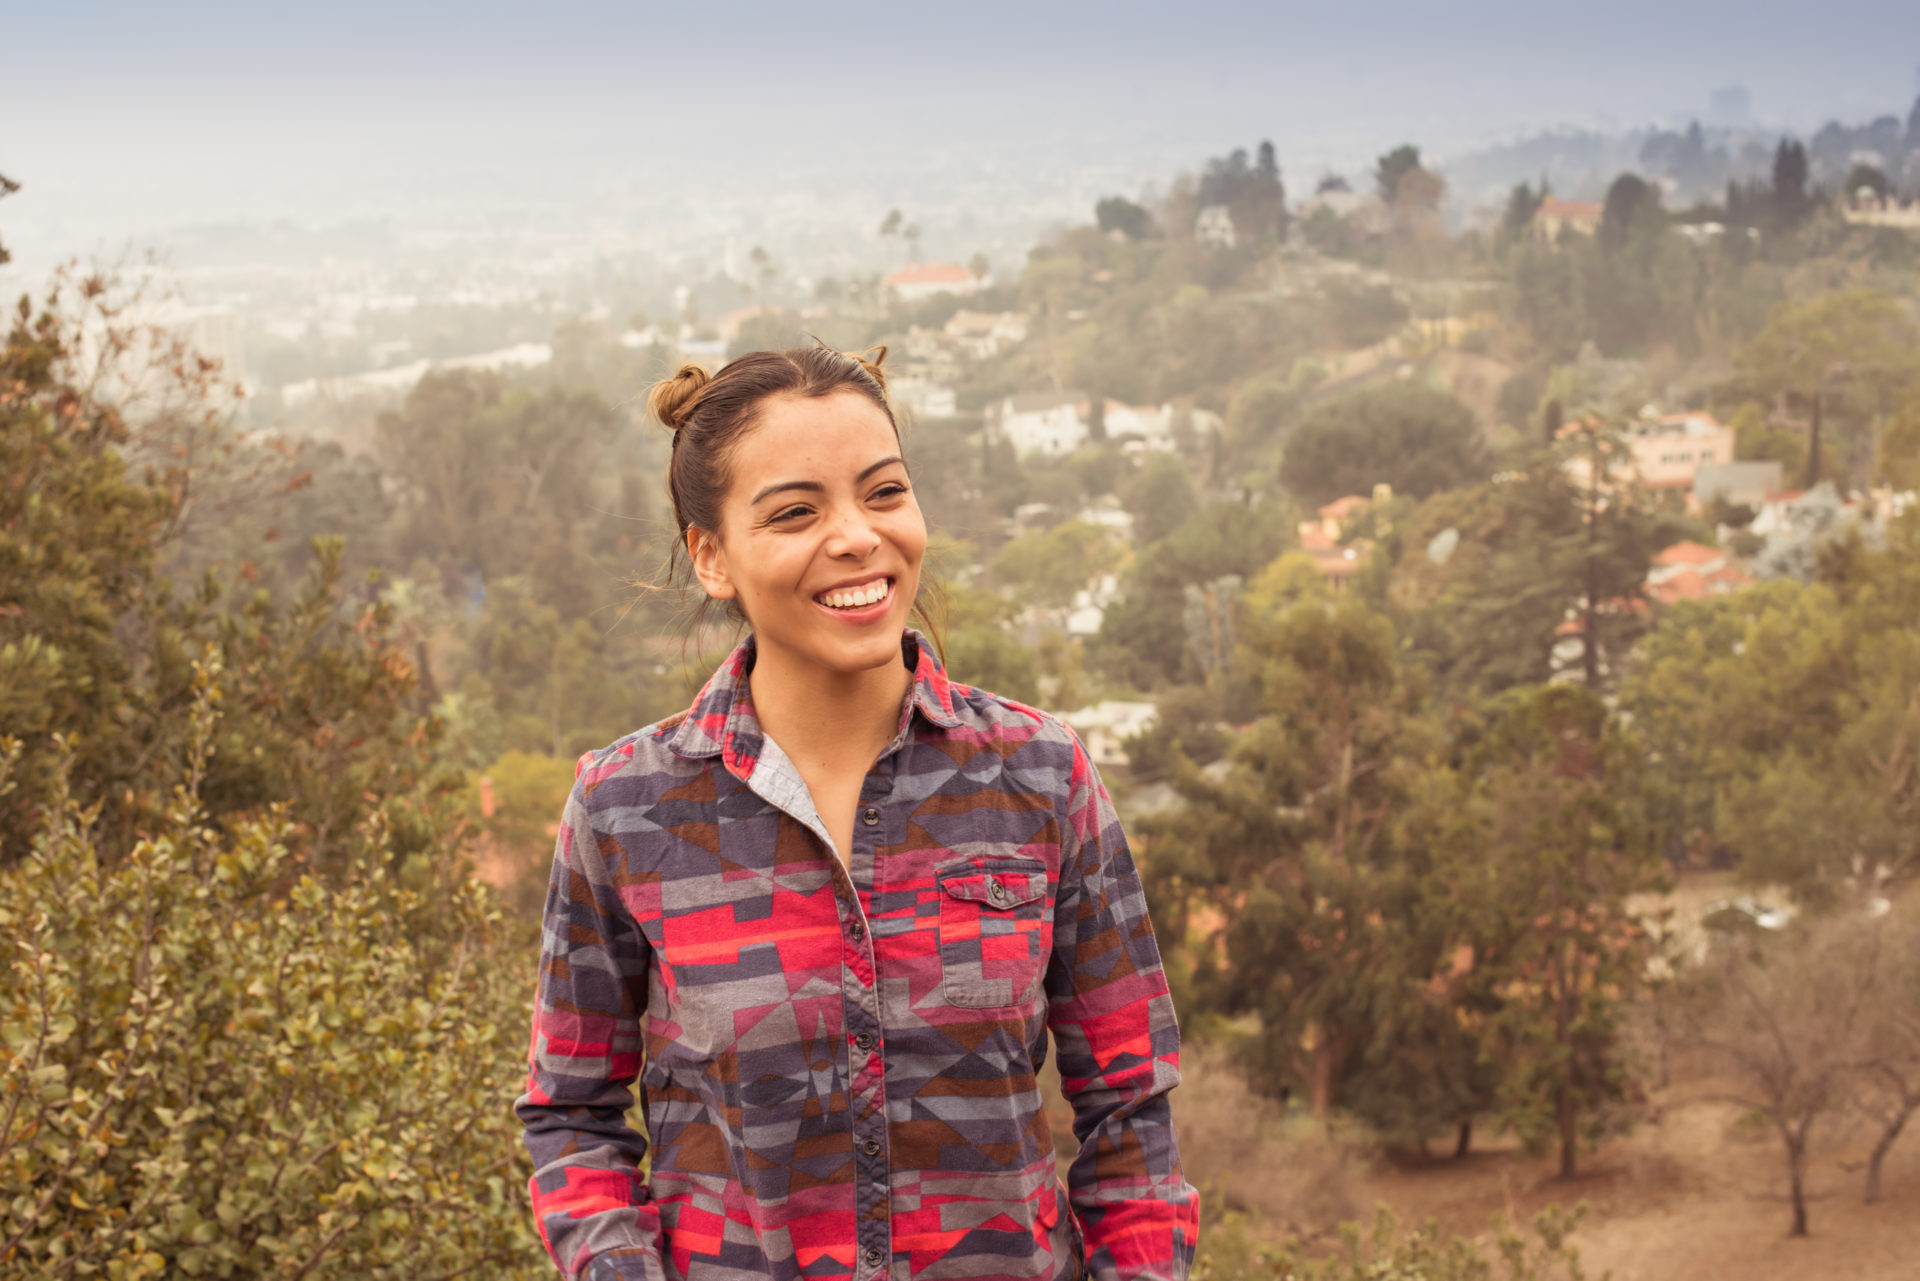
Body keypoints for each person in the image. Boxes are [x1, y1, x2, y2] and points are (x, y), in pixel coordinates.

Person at [517, 345, 1198, 1281]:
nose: (857, 536)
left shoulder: (1041, 778)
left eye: (883, 493)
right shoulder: (626, 810)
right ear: (711, 555)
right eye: (797, 511)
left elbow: (1131, 1111)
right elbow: (571, 1112)